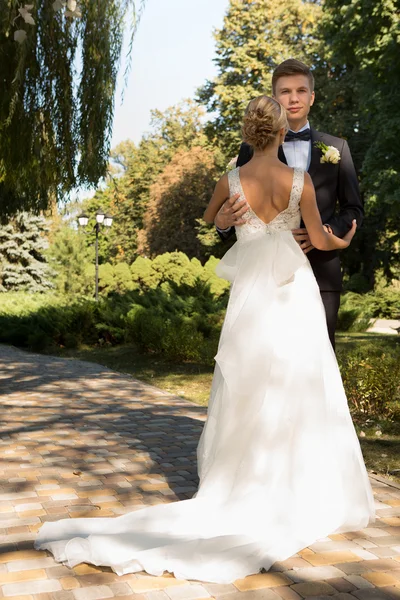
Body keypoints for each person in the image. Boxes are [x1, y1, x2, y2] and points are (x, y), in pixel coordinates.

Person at [34, 96, 375, 585]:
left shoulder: (230, 180)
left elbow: (212, 221)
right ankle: (293, 483)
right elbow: (319, 240)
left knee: (247, 382)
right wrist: (342, 240)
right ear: (280, 133)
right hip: (292, 291)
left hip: (251, 295)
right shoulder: (297, 182)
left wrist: (225, 220)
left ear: (248, 133)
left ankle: (242, 479)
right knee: (298, 379)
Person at [215, 59, 364, 349]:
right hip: (264, 278)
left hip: (321, 274)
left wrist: (323, 232)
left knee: (318, 362)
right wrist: (222, 223)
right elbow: (234, 207)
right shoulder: (250, 149)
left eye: (300, 90)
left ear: (312, 96)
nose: (293, 98)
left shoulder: (338, 148)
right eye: (284, 91)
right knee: (262, 356)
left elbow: (353, 208)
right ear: (274, 97)